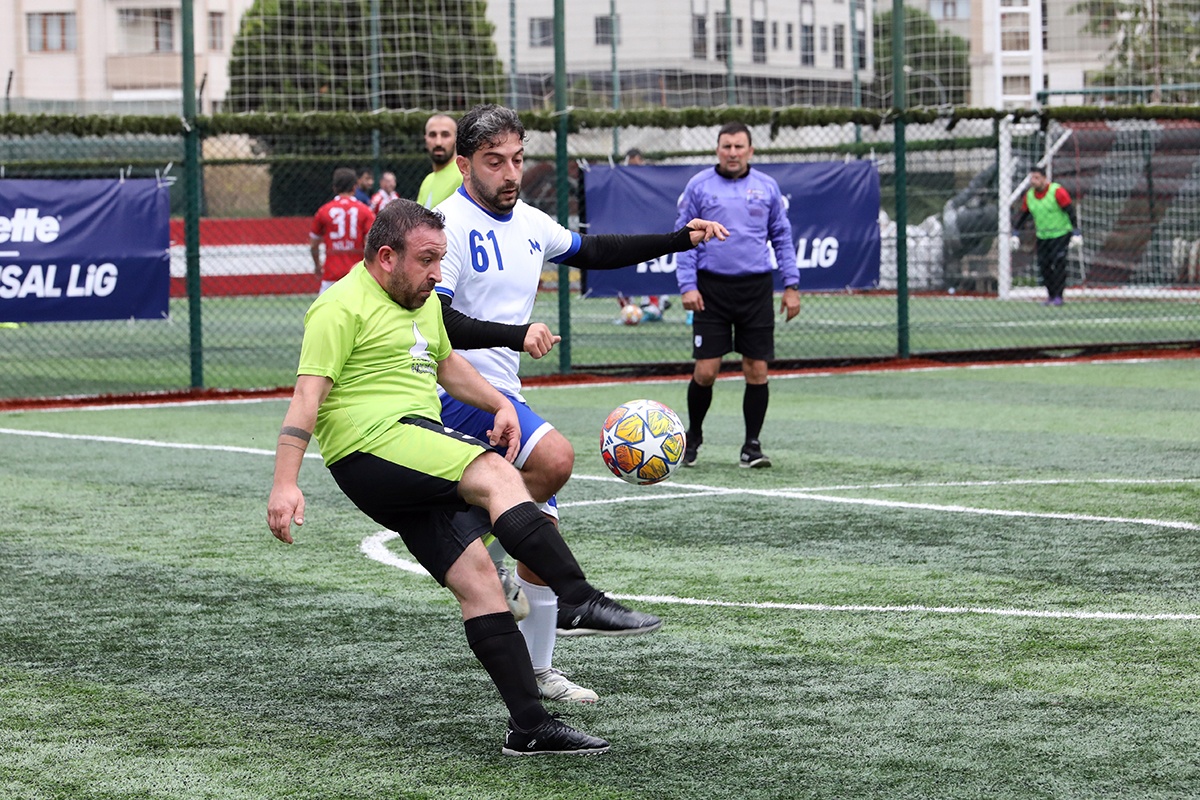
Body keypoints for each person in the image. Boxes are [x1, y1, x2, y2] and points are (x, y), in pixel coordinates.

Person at [267, 199, 665, 756]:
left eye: (441, 259)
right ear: (387, 257)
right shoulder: (338, 306)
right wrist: (285, 482)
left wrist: (499, 403)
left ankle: (529, 727)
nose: (438, 273)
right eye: (427, 260)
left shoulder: (421, 300)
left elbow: (447, 364)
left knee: (479, 580)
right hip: (372, 445)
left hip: (407, 447)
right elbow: (307, 397)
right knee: (495, 472)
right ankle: (576, 599)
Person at [433, 103, 728, 705]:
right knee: (555, 459)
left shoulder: (530, 222)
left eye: (517, 159)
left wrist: (679, 239)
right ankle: (482, 553)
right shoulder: (447, 225)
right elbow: (438, 322)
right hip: (451, 390)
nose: (510, 173)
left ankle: (538, 669)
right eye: (494, 161)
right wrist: (516, 335)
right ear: (464, 165)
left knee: (540, 530)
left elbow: (594, 251)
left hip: (504, 392)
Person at [674, 121, 801, 470]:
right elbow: (683, 238)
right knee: (706, 371)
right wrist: (687, 285)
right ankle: (693, 438)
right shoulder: (699, 186)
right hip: (711, 289)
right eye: (726, 146)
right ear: (717, 150)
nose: (732, 153)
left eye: (739, 146)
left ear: (750, 150)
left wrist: (791, 285)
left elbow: (782, 237)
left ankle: (751, 446)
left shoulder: (767, 187)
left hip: (755, 289)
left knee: (756, 369)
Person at [1011, 166, 1082, 307]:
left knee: (1059, 264)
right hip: (1043, 236)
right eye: (1032, 178)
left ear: (1044, 179)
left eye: (1037, 178)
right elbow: (1023, 215)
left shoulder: (1057, 191)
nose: (1033, 181)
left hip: (1061, 234)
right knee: (1044, 265)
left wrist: (1076, 233)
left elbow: (1070, 211)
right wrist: (1015, 233)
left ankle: (1059, 296)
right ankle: (1050, 295)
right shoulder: (1029, 196)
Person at [310, 167, 376, 293]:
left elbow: (314, 245)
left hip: (331, 275)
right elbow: (371, 244)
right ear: (355, 187)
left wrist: (317, 265)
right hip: (356, 275)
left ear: (334, 188)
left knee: (325, 305)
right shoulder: (366, 211)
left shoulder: (323, 211)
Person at [417, 114, 463, 209]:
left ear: (456, 139)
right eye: (432, 135)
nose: (438, 142)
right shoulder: (427, 181)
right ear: (426, 139)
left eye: (445, 135)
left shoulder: (464, 176)